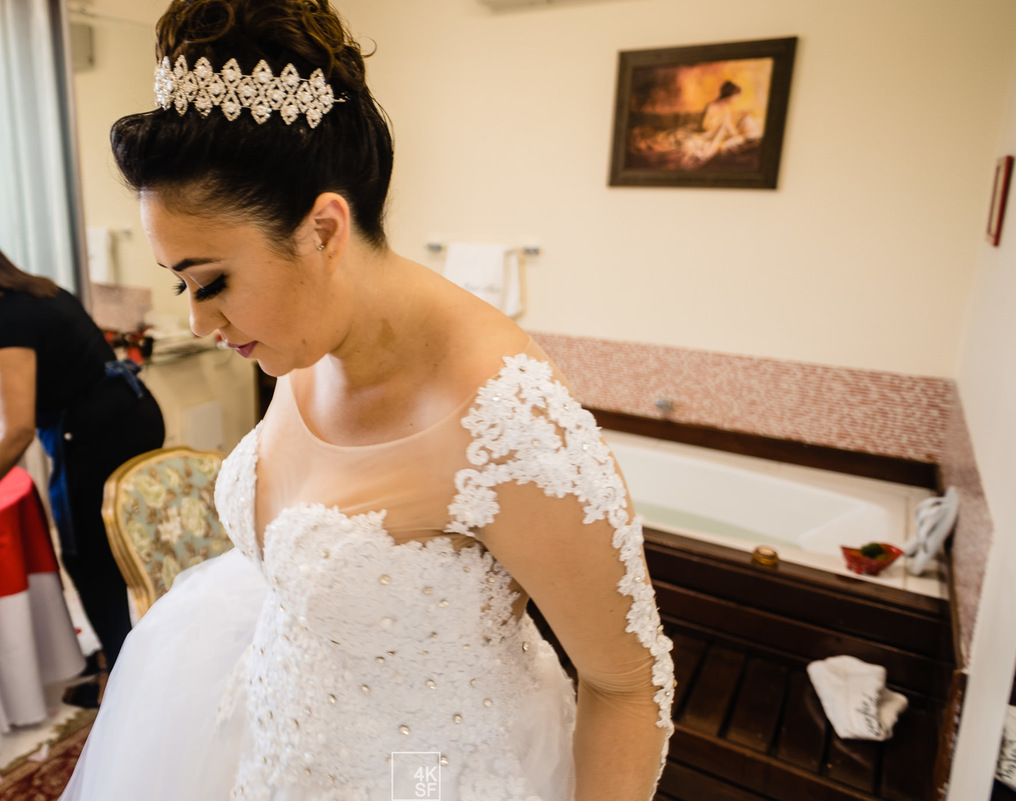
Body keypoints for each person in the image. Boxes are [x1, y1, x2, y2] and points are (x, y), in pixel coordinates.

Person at [63, 0, 674, 798]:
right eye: (179, 281)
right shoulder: (302, 343)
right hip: (269, 745)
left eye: (212, 282)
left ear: (322, 231)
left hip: (418, 776)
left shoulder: (504, 420)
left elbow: (629, 685)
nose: (197, 320)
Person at [0, 209, 166, 706]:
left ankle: (124, 681)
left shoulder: (10, 320)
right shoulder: (40, 292)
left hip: (94, 436)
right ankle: (125, 653)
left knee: (86, 558)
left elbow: (20, 428)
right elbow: (54, 382)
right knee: (117, 546)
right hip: (132, 412)